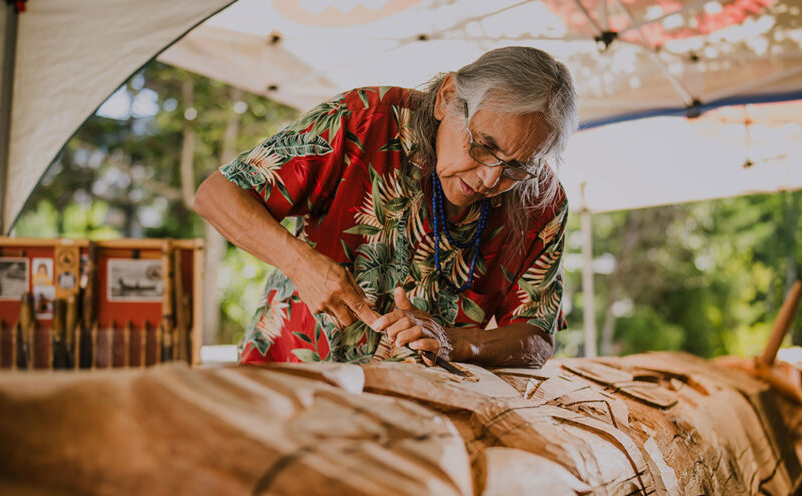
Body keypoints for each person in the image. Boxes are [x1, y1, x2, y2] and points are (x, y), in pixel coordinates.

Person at [194, 46, 577, 368]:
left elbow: (536, 337)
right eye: (484, 147)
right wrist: (299, 263)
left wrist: (452, 342)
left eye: (517, 166)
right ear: (447, 99)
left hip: (421, 415)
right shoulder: (363, 120)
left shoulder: (540, 199)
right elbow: (217, 194)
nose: (491, 180)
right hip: (287, 375)